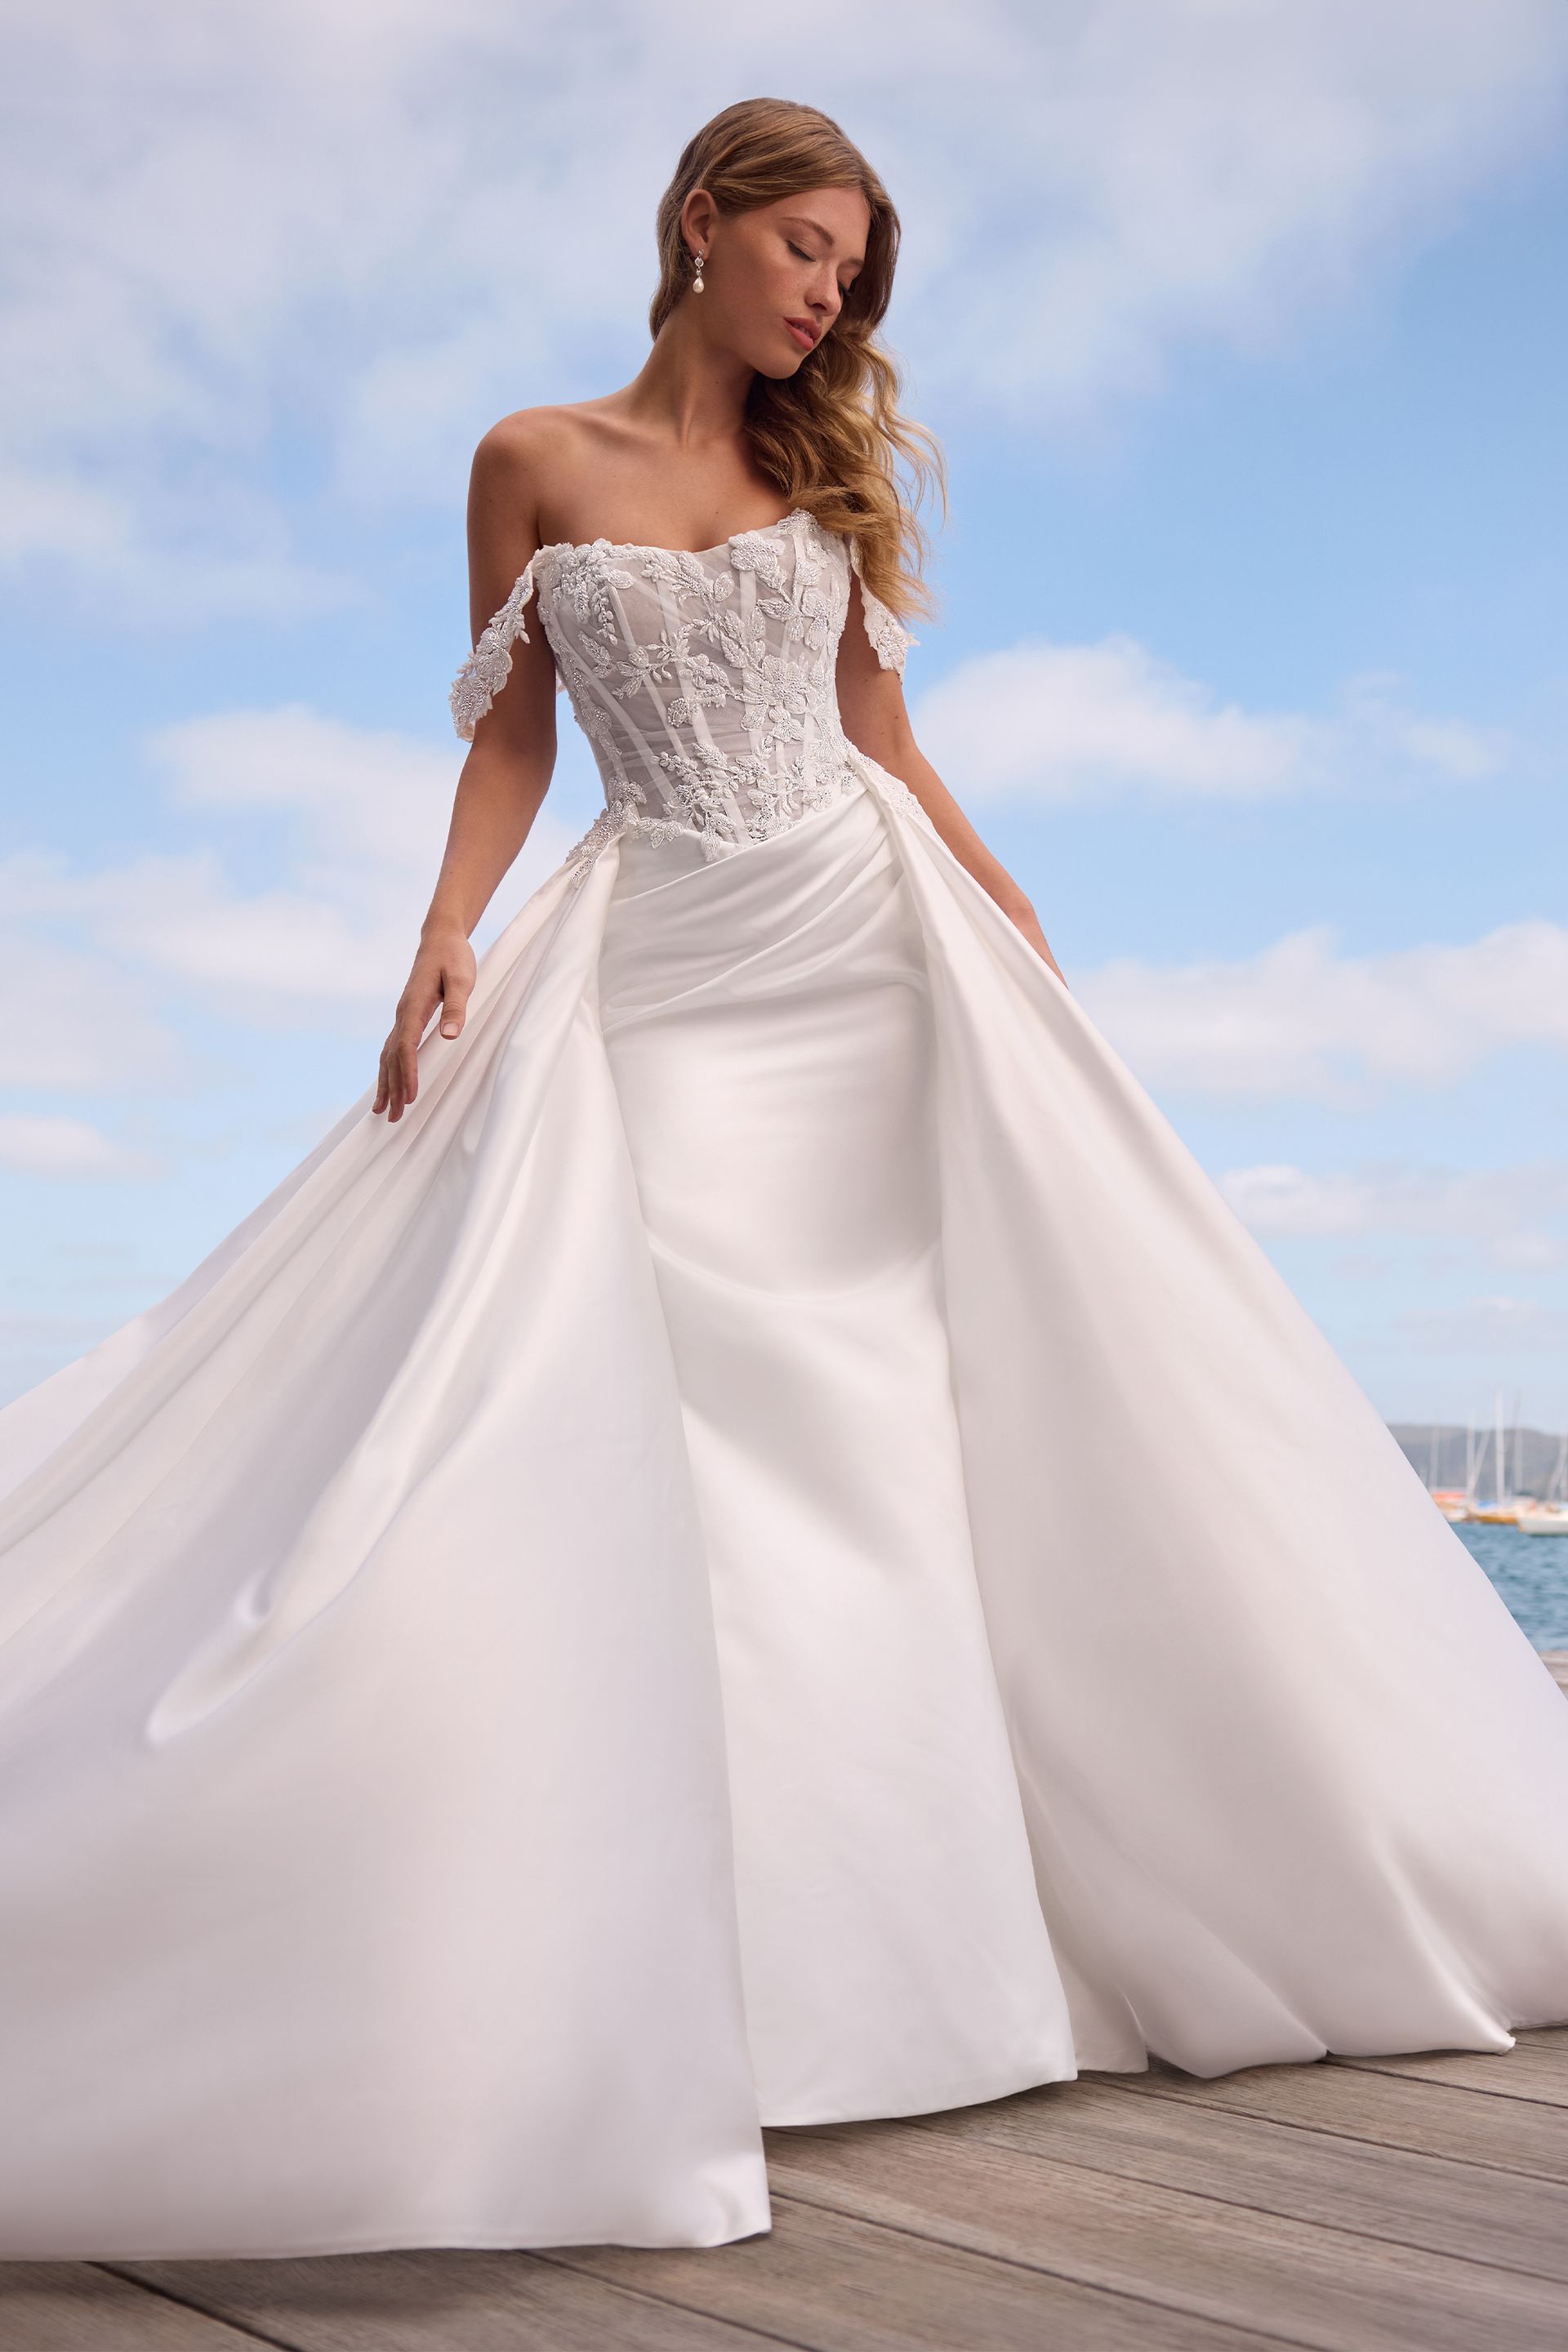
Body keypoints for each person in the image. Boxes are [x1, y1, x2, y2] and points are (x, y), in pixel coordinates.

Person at [1, 95, 1566, 2266]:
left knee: (885, 1406)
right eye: (806, 247)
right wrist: (444, 928)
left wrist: (1010, 918)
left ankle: (913, 1960)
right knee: (683, 1399)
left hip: (861, 938)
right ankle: (736, 1964)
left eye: (853, 269)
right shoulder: (528, 459)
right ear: (699, 223)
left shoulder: (825, 475)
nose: (830, 296)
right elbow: (515, 736)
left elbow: (883, 745)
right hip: (662, 957)